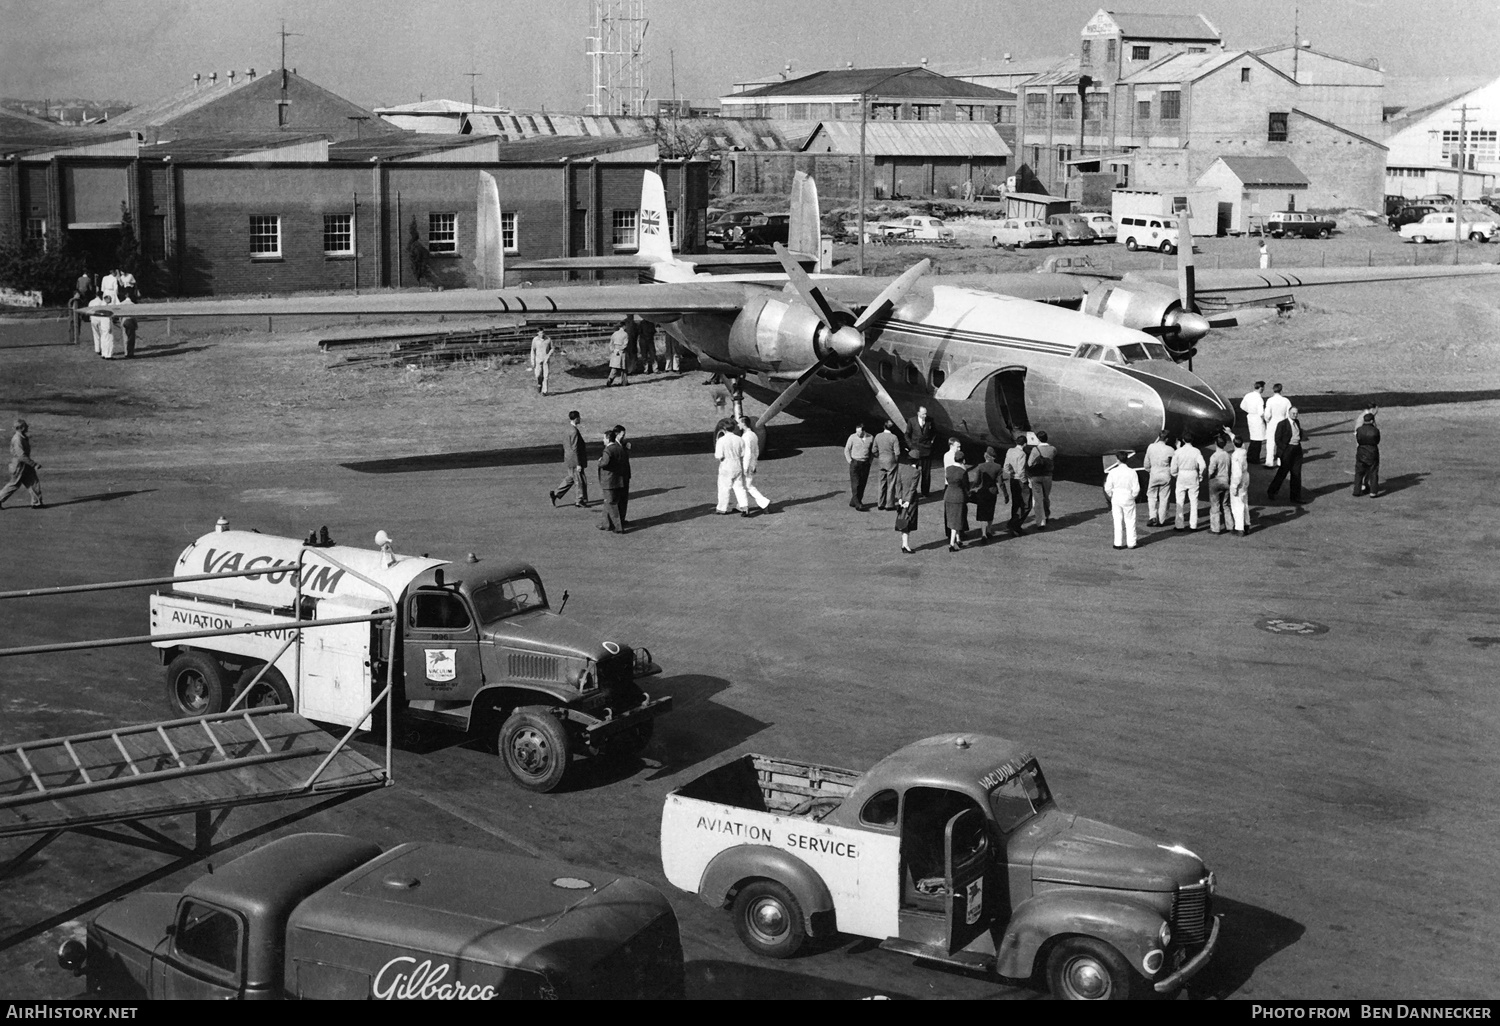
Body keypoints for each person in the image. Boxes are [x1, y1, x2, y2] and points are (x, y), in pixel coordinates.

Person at [0, 418, 43, 510]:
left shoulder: (22, 437)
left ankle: (37, 502)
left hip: (25, 465)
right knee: (14, 484)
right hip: (19, 465)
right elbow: (21, 456)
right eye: (26, 426)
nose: (27, 427)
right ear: (22, 427)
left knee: (33, 481)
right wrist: (34, 464)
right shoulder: (17, 439)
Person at [549, 411, 589, 507]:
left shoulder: (567, 429)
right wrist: (578, 463)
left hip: (569, 458)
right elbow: (575, 448)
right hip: (574, 459)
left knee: (571, 478)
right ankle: (579, 500)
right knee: (579, 480)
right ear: (576, 418)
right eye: (579, 417)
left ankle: (555, 493)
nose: (580, 419)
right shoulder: (574, 431)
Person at [1267, 406, 1305, 503]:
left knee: (1296, 473)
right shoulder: (1282, 424)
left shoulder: (1297, 422)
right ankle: (1272, 491)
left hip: (1297, 449)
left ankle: (1295, 497)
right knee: (1282, 472)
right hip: (1287, 450)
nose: (1295, 415)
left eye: (1296, 413)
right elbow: (1277, 439)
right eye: (1293, 413)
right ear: (1288, 413)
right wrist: (1284, 450)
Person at [1102, 451, 1139, 550]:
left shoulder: (1113, 472)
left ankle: (1117, 543)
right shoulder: (1132, 472)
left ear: (1117, 460)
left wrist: (1111, 495)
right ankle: (1131, 543)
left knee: (1117, 520)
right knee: (1130, 520)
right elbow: (1136, 488)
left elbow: (1108, 487)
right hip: (1128, 496)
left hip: (1117, 496)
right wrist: (1132, 496)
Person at [736, 415, 772, 513]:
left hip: (746, 465)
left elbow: (747, 453)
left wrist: (745, 467)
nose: (738, 424)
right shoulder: (753, 435)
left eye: (739, 422)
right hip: (752, 463)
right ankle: (740, 505)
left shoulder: (746, 437)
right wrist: (754, 464)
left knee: (747, 486)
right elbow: (756, 451)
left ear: (743, 424)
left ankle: (765, 503)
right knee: (743, 485)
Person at [714, 422, 750, 516]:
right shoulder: (740, 439)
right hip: (737, 464)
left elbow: (719, 455)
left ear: (724, 429)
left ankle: (722, 508)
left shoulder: (721, 440)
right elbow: (742, 454)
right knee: (739, 487)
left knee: (724, 488)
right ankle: (744, 506)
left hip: (726, 465)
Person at [1170, 438, 1206, 531]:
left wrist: (1175, 474)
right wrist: (1201, 475)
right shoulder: (1196, 451)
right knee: (1194, 501)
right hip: (1193, 474)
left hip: (1182, 474)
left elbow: (1173, 467)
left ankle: (1179, 524)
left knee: (1179, 500)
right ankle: (1193, 525)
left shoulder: (1178, 451)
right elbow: (1203, 465)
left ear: (1183, 440)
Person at [969, 446, 1003, 542]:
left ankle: (983, 533)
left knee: (982, 512)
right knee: (990, 510)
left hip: (982, 491)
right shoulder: (998, 466)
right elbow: (1000, 482)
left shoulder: (980, 466)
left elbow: (976, 481)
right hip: (992, 491)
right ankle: (989, 530)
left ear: (986, 456)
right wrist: (1005, 494)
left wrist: (971, 488)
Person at [1001, 433, 1031, 536]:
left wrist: (1011, 473)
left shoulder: (1010, 451)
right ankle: (1015, 524)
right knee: (1027, 505)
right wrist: (1024, 481)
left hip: (1013, 480)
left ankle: (1013, 524)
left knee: (1016, 503)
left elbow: (1005, 466)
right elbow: (1021, 470)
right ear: (1025, 444)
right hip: (1020, 480)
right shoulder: (1022, 454)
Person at [597, 428, 626, 532]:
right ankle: (606, 524)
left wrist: (600, 461)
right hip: (618, 480)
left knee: (611, 503)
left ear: (608, 439)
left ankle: (618, 527)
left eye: (604, 438)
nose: (603, 440)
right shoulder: (619, 448)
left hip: (609, 481)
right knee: (608, 502)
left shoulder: (608, 450)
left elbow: (604, 463)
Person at [1143, 431, 1174, 527]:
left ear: (1159, 437)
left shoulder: (1151, 447)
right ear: (1167, 439)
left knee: (1151, 496)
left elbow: (1146, 462)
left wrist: (1149, 471)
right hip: (1165, 473)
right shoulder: (1170, 449)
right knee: (1164, 497)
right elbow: (1173, 464)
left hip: (1154, 473)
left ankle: (1152, 516)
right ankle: (1161, 519)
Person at [1026, 429, 1056, 529]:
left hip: (1036, 476)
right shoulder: (1052, 449)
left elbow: (1030, 463)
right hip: (1048, 476)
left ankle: (1041, 522)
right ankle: (1047, 515)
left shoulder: (1035, 450)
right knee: (1046, 497)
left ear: (1038, 439)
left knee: (1038, 499)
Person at [904, 406, 937, 496]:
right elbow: (907, 434)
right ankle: (911, 491)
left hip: (927, 450)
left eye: (926, 413)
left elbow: (934, 432)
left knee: (926, 473)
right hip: (915, 450)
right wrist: (911, 446)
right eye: (923, 414)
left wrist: (931, 442)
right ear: (918, 413)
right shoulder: (912, 421)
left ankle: (925, 492)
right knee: (913, 472)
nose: (925, 415)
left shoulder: (930, 420)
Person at [943, 452, 970, 552]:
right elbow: (966, 485)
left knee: (952, 518)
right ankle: (951, 543)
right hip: (958, 496)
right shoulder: (962, 471)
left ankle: (958, 539)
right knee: (957, 519)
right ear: (963, 460)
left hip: (948, 494)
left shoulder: (948, 469)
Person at [1206, 433, 1233, 535]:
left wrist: (1209, 479)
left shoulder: (1214, 456)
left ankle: (1215, 528)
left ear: (1216, 443)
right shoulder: (1228, 455)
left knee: (1215, 506)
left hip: (1216, 481)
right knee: (1225, 505)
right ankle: (1230, 525)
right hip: (1226, 481)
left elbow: (1211, 471)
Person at [844, 422, 875, 510]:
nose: (858, 434)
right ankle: (858, 504)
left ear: (864, 431)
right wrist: (850, 461)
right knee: (855, 483)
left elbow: (872, 452)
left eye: (860, 433)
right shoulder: (852, 437)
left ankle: (854, 501)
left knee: (862, 483)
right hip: (855, 462)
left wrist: (870, 461)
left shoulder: (871, 438)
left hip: (865, 463)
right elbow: (847, 450)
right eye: (857, 432)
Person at [894, 454, 921, 554]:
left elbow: (898, 484)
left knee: (902, 521)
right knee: (908, 523)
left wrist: (899, 498)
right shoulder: (916, 472)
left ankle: (904, 544)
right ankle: (905, 545)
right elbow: (913, 488)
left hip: (902, 499)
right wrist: (908, 501)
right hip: (910, 501)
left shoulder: (902, 468)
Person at [873, 420, 902, 510]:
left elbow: (874, 450)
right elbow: (897, 452)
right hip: (891, 461)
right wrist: (896, 461)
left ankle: (880, 503)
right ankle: (889, 504)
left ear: (884, 427)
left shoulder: (878, 436)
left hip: (881, 460)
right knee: (891, 483)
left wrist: (879, 456)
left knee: (881, 482)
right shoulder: (894, 437)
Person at [1262, 384, 1292, 467]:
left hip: (1272, 423)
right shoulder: (1286, 401)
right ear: (1281, 390)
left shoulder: (1270, 400)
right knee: (1281, 442)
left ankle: (1269, 462)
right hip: (1282, 423)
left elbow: (1267, 414)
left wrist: (1267, 421)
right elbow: (1288, 414)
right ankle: (1281, 461)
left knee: (1270, 443)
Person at [1353, 410, 1380, 498]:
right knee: (1373, 472)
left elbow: (1358, 439)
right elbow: (1377, 441)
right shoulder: (1375, 430)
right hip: (1372, 452)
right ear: (1372, 421)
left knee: (1359, 472)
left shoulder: (1359, 430)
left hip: (1361, 451)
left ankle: (1357, 490)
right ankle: (1373, 492)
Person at [1239, 381, 1267, 464]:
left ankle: (1250, 456)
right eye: (1263, 388)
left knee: (1253, 438)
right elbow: (1261, 412)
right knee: (1258, 439)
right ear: (1261, 388)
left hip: (1250, 417)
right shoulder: (1259, 399)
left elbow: (1242, 406)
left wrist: (1250, 411)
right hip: (1257, 419)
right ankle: (1254, 458)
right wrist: (1266, 419)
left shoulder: (1248, 395)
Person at [1228, 434, 1250, 536]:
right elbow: (1238, 442)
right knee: (1245, 502)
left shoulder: (1235, 456)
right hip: (1246, 477)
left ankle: (1239, 528)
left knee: (1237, 504)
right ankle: (1246, 524)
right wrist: (1230, 433)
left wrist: (1234, 487)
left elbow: (1237, 474)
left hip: (1239, 479)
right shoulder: (1243, 451)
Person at [612, 424, 632, 527]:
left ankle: (622, 520)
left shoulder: (622, 444)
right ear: (617, 434)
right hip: (618, 477)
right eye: (622, 434)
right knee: (618, 500)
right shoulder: (613, 446)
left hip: (625, 476)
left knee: (624, 500)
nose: (624, 436)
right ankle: (617, 522)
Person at [529, 328, 554, 395]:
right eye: (540, 333)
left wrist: (548, 355)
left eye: (543, 333)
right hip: (538, 359)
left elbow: (552, 348)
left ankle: (544, 391)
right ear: (538, 333)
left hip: (546, 360)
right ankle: (539, 383)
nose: (542, 334)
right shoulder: (535, 340)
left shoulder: (548, 339)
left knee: (546, 376)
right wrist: (532, 361)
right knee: (538, 374)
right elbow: (532, 350)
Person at [606, 321, 630, 387]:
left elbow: (611, 343)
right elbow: (625, 344)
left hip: (615, 351)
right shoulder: (625, 334)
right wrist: (621, 349)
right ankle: (624, 382)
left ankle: (609, 380)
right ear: (624, 326)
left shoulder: (615, 333)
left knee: (614, 367)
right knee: (624, 368)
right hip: (621, 352)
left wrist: (613, 350)